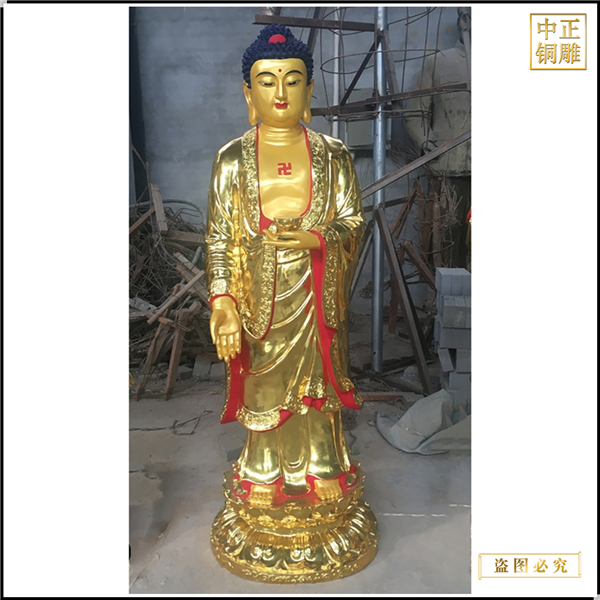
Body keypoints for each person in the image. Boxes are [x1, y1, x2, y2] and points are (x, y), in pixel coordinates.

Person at [205, 24, 366, 507]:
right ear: (248, 93)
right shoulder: (231, 159)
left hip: (316, 297)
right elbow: (219, 237)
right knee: (264, 384)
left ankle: (322, 462)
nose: (281, 93)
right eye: (267, 81)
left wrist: (317, 238)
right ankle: (263, 467)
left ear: (310, 91)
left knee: (319, 385)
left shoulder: (333, 155)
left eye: (293, 81)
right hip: (260, 300)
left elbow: (353, 222)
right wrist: (222, 301)